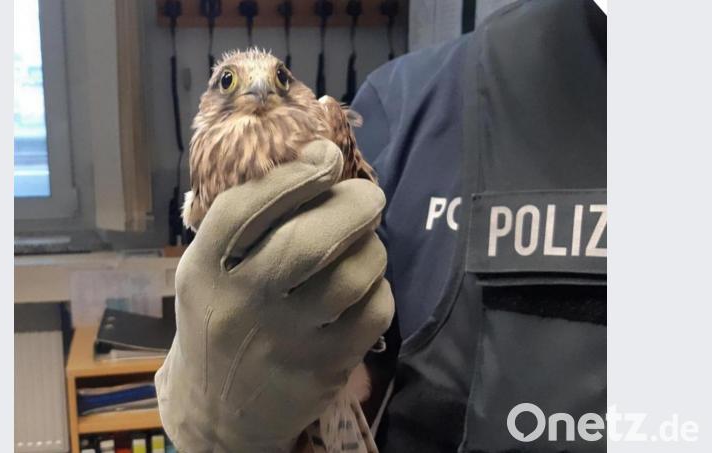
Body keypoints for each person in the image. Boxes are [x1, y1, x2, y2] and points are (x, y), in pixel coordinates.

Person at [155, 0, 607, 451]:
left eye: (279, 79)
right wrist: (209, 424)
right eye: (230, 81)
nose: (258, 89)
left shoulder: (337, 118)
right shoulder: (406, 99)